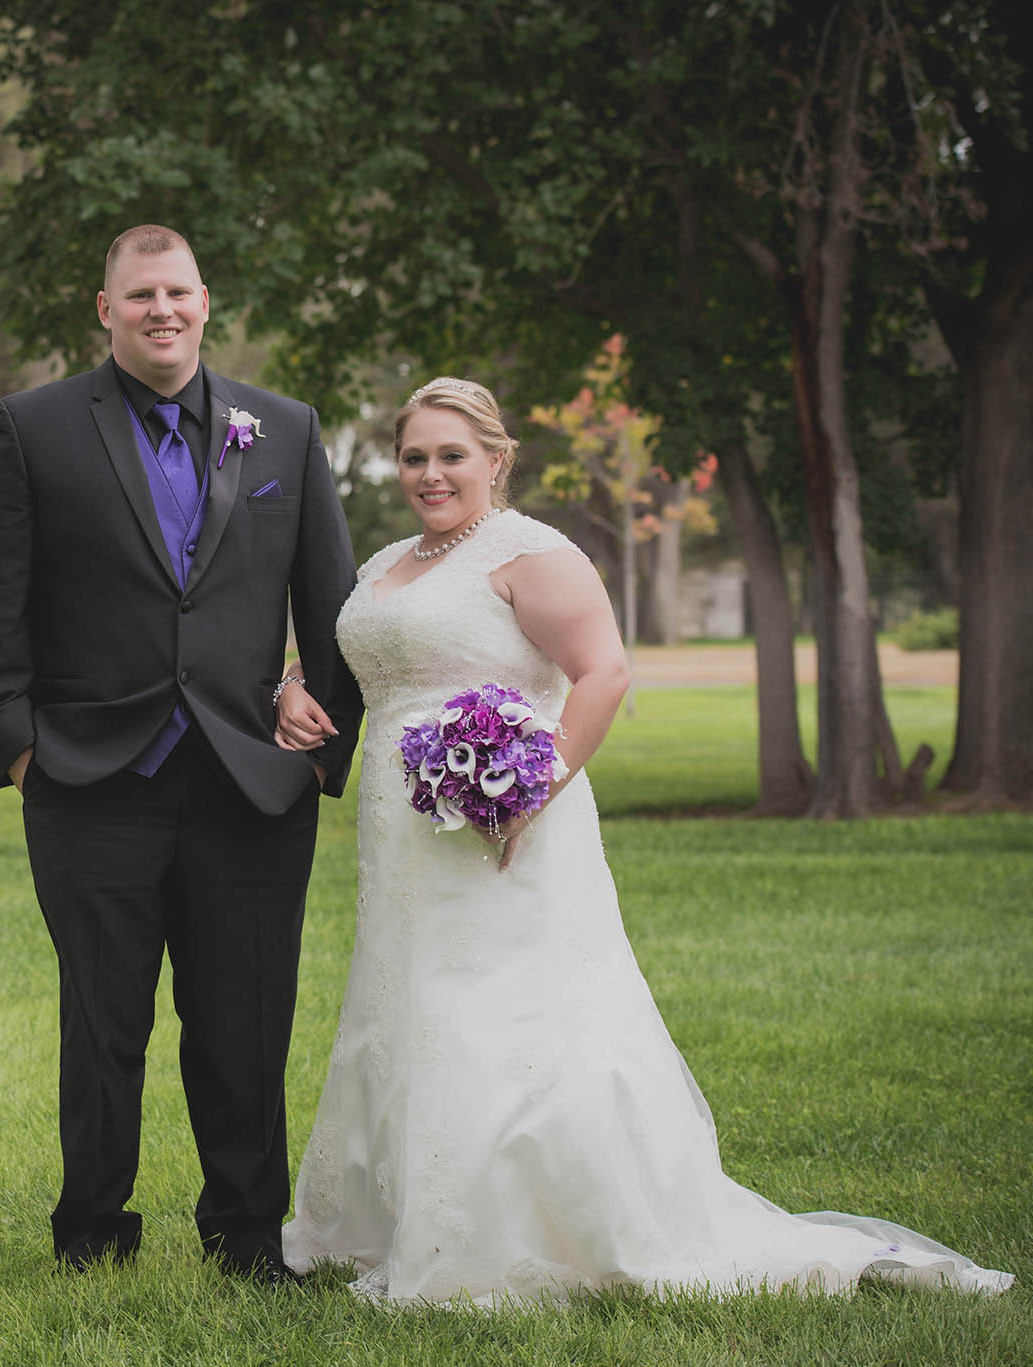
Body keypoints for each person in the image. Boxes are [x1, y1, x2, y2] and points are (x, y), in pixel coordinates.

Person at [271, 375, 1013, 1303]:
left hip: (505, 824)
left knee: (504, 1014)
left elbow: (603, 674)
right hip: (400, 837)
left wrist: (527, 791)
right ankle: (394, 1222)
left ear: (497, 460)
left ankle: (519, 1232)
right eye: (415, 455)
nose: (431, 473)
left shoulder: (531, 554)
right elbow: (354, 659)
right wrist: (291, 687)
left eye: (452, 454)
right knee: (408, 1004)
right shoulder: (385, 562)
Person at [0, 225, 363, 1282]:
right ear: (104, 309)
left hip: (251, 787)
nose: (160, 310)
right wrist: (16, 746)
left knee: (244, 1024)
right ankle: (90, 1233)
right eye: (139, 295)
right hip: (89, 781)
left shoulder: (282, 429)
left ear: (205, 300)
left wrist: (323, 744)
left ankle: (246, 1239)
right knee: (102, 1024)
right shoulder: (33, 429)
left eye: (175, 292)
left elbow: (332, 603)